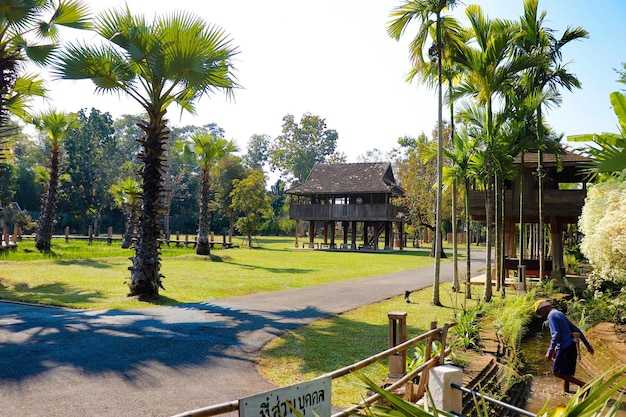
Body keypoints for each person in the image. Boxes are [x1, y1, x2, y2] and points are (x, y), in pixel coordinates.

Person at [534, 299, 595, 393]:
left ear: (545, 308)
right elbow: (576, 329)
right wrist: (587, 345)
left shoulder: (551, 316)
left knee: (557, 372)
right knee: (565, 373)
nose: (541, 315)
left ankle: (584, 385)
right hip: (571, 346)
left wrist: (549, 352)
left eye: (540, 312)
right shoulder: (559, 313)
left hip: (564, 347)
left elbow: (556, 335)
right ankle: (566, 393)